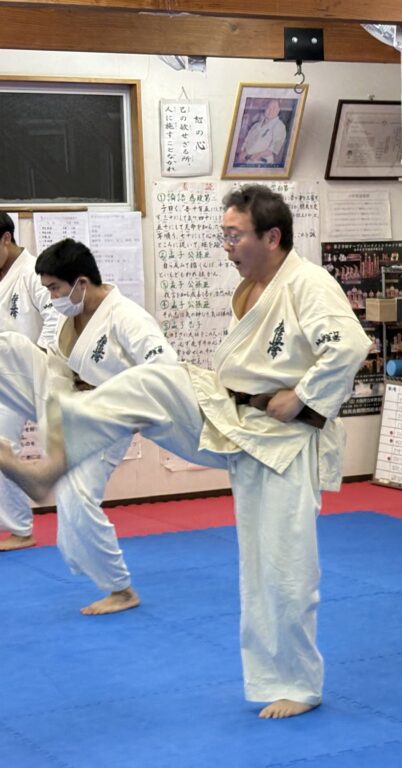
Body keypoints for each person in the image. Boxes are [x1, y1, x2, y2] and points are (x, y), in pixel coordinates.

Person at [0, 185, 371, 719]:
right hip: (229, 412)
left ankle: (297, 683)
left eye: (234, 236)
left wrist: (304, 396)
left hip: (282, 440)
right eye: (224, 235)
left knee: (278, 566)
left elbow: (350, 345)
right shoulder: (254, 285)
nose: (226, 246)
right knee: (149, 381)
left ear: (272, 236)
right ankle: (50, 467)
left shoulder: (308, 283)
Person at [0, 239, 177, 613]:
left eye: (55, 289)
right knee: (10, 345)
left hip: (109, 415)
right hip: (68, 402)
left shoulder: (127, 318)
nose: (52, 298)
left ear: (81, 282)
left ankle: (121, 590)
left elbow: (165, 370)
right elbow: (56, 364)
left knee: (75, 497)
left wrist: (125, 404)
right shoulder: (71, 315)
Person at [0, 212, 59, 551]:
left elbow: (55, 316)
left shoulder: (33, 273)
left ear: (6, 239)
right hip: (3, 372)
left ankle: (21, 530)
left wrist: (38, 355)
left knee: (2, 446)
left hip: (27, 375)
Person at [236, 99, 287, 166]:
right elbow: (246, 141)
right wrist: (242, 152)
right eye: (268, 107)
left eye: (274, 108)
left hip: (262, 163)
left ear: (278, 110)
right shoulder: (256, 125)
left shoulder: (280, 126)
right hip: (246, 161)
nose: (270, 111)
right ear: (265, 109)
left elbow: (274, 149)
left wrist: (258, 155)